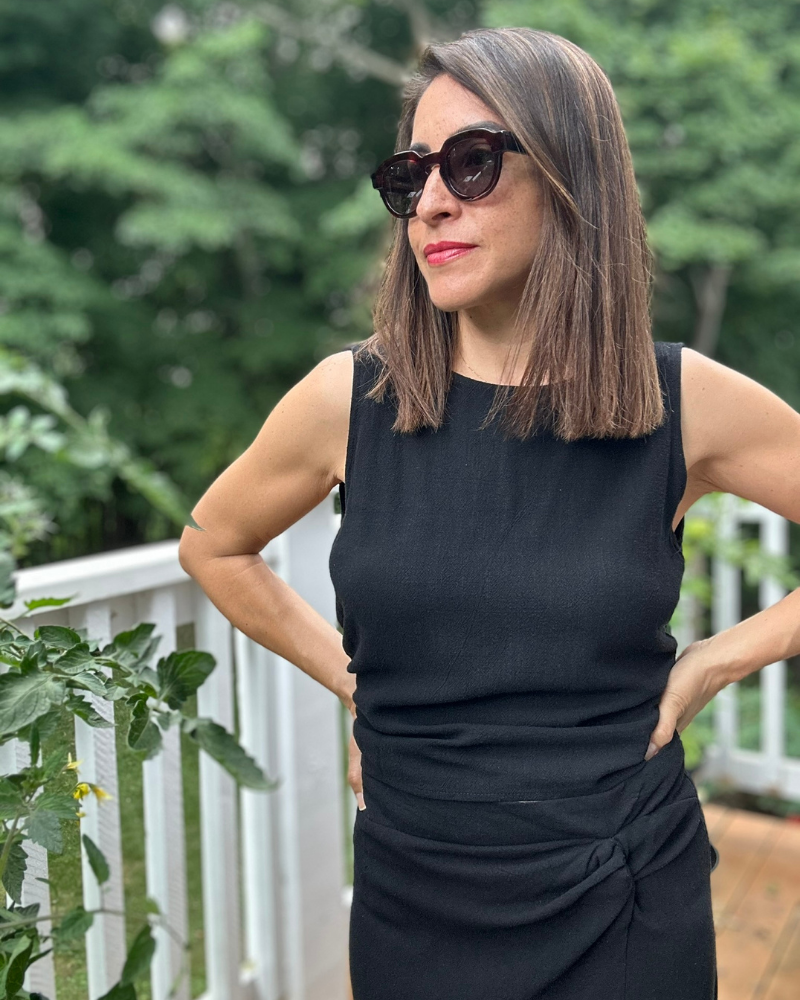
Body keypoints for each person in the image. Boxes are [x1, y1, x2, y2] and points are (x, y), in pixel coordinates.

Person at [178, 26, 800, 1000]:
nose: (430, 202)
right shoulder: (349, 400)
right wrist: (351, 684)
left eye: (470, 163)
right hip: (413, 891)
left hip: (621, 892)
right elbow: (214, 546)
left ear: (569, 174)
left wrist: (713, 664)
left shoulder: (682, 402)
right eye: (410, 175)